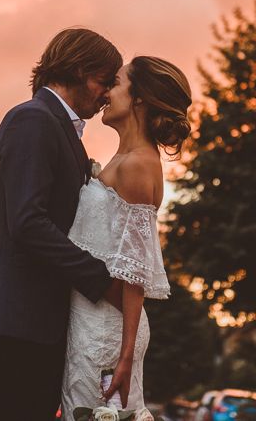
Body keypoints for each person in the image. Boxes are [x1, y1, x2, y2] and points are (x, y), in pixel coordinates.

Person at [0, 28, 123, 421]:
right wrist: (101, 280)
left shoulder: (55, 125)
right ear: (77, 69)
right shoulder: (33, 120)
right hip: (18, 325)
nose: (107, 94)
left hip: (36, 327)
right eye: (104, 81)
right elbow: (28, 222)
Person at [61, 56, 192, 415]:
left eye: (115, 83)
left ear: (138, 99)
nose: (105, 93)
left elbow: (134, 269)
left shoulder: (138, 165)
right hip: (89, 316)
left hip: (108, 329)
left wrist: (125, 355)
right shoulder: (123, 159)